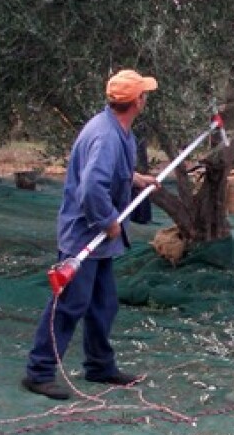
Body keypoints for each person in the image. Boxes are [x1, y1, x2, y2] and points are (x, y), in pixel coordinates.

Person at [21, 69, 161, 400]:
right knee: (70, 305)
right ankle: (38, 372)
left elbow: (110, 173)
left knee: (103, 304)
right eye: (144, 94)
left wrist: (135, 178)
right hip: (84, 238)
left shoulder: (119, 130)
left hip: (99, 243)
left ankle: (99, 365)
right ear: (136, 101)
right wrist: (109, 221)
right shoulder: (106, 136)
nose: (146, 99)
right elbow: (91, 188)